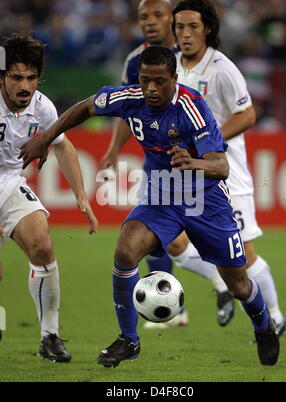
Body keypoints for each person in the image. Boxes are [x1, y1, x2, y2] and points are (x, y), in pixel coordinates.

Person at [20, 46, 280, 368]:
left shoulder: (191, 108)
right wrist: (47, 138)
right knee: (125, 252)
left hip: (205, 201)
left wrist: (194, 161)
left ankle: (263, 324)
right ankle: (129, 340)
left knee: (238, 285)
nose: (151, 89)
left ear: (174, 79)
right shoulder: (130, 98)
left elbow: (221, 167)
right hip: (162, 199)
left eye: (159, 81)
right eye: (145, 80)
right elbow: (86, 108)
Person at [168, 0, 286, 335]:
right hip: (187, 176)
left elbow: (247, 114)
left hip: (226, 176)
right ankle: (221, 285)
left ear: (207, 28)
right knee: (174, 244)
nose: (186, 34)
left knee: (244, 256)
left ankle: (275, 315)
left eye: (193, 27)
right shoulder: (172, 66)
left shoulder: (222, 68)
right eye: (180, 27)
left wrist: (210, 141)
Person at [0, 33, 98, 361]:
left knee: (42, 245)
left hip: (9, 182)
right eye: (16, 77)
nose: (24, 86)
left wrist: (81, 196)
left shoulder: (42, 107)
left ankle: (49, 337)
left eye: (31, 77)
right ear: (2, 76)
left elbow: (63, 145)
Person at [99, 0, 190, 329]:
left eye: (157, 15)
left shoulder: (192, 55)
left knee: (191, 238)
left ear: (173, 19)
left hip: (198, 162)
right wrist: (112, 149)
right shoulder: (135, 61)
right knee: (153, 232)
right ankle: (170, 306)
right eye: (143, 17)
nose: (150, 22)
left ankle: (225, 285)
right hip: (158, 162)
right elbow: (127, 108)